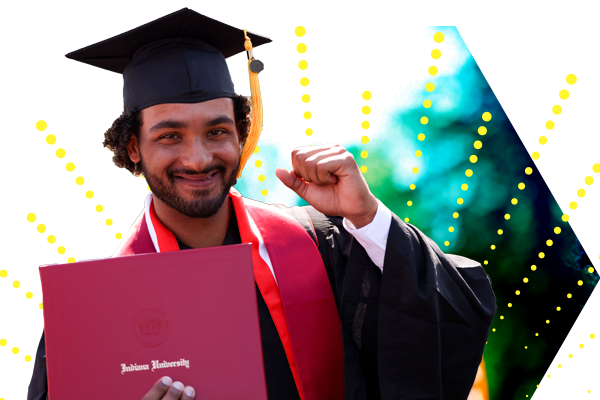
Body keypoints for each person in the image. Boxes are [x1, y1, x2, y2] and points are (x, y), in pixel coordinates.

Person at [28, 8, 497, 400]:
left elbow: (448, 321)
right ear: (133, 147)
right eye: (170, 135)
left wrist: (366, 216)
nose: (198, 157)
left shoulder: (324, 246)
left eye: (217, 131)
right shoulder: (91, 316)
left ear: (241, 133)